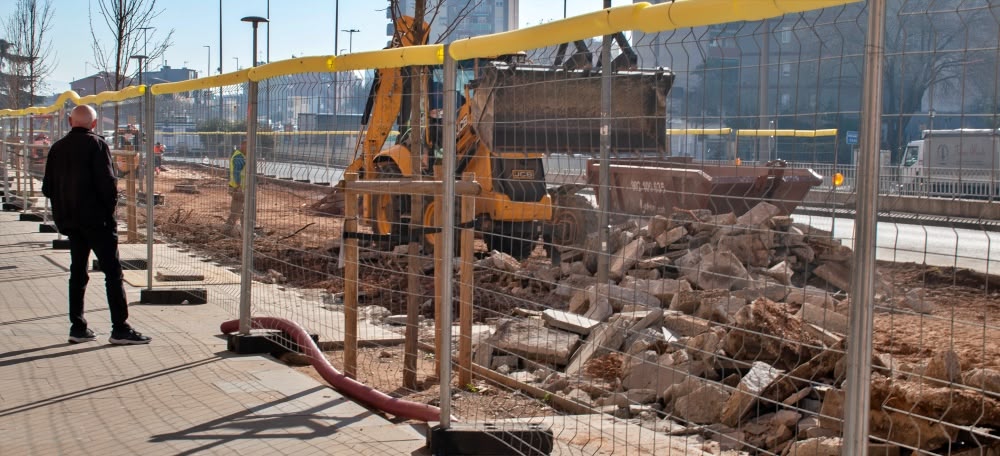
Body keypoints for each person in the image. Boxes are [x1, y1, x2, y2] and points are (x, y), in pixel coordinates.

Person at [42, 105, 152, 345]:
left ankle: (78, 327)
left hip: (70, 221)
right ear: (94, 124)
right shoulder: (97, 145)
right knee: (113, 272)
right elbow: (107, 183)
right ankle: (120, 328)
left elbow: (47, 188)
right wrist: (108, 211)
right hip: (97, 221)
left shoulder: (57, 148)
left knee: (77, 272)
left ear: (70, 121)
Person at [223, 140, 247, 236]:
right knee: (236, 211)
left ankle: (245, 232)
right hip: (238, 188)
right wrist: (238, 186)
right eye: (247, 147)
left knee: (245, 211)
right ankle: (227, 231)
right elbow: (236, 172)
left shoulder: (242, 156)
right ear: (243, 146)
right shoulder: (239, 157)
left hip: (242, 188)